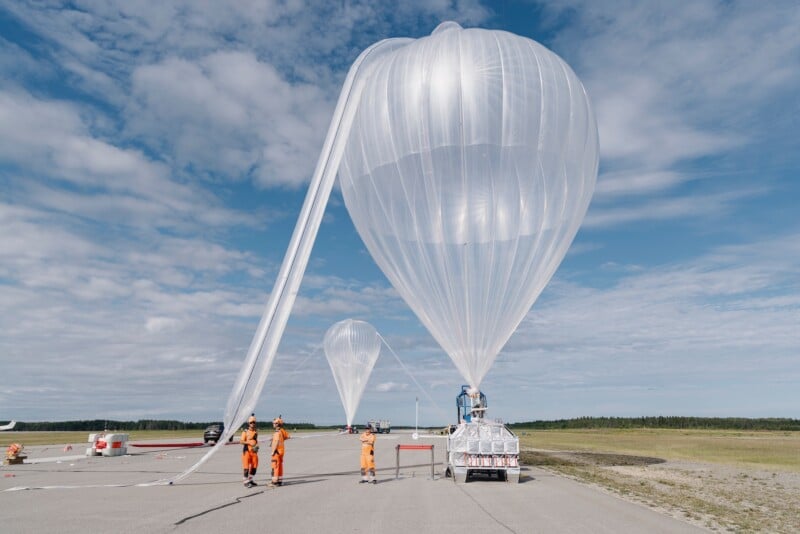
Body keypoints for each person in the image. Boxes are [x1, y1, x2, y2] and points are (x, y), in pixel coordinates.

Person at [269, 416, 291, 487]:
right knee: (280, 466)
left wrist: (272, 451)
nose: (273, 424)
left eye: (274, 423)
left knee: (275, 467)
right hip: (281, 451)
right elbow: (288, 436)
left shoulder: (277, 432)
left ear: (277, 424)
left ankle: (274, 482)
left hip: (276, 452)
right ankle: (280, 481)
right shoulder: (281, 431)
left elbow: (275, 442)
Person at [240, 415, 259, 488]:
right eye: (251, 422)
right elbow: (241, 441)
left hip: (254, 451)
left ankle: (250, 479)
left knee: (254, 466)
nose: (252, 424)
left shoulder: (255, 431)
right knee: (246, 467)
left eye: (254, 422)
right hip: (247, 451)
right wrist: (249, 443)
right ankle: (245, 481)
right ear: (249, 423)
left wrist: (257, 446)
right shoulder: (245, 431)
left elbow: (256, 440)